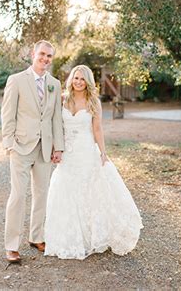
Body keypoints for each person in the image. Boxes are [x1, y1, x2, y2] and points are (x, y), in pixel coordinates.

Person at [44, 65, 143, 260]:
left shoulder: (93, 101)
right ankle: (69, 237)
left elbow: (97, 129)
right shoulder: (63, 99)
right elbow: (56, 126)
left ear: (88, 81)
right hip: (68, 154)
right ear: (71, 79)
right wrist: (56, 147)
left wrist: (103, 152)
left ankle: (91, 236)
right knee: (66, 190)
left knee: (89, 191)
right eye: (76, 78)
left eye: (82, 79)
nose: (78, 82)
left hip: (86, 151)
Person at [1, 40, 64, 263]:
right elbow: (8, 115)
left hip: (45, 148)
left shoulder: (54, 84)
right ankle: (11, 245)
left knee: (41, 194)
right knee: (18, 196)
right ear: (33, 54)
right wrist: (9, 143)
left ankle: (36, 236)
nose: (45, 59)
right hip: (21, 146)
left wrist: (59, 147)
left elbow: (57, 117)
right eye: (42, 54)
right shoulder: (17, 80)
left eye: (49, 56)